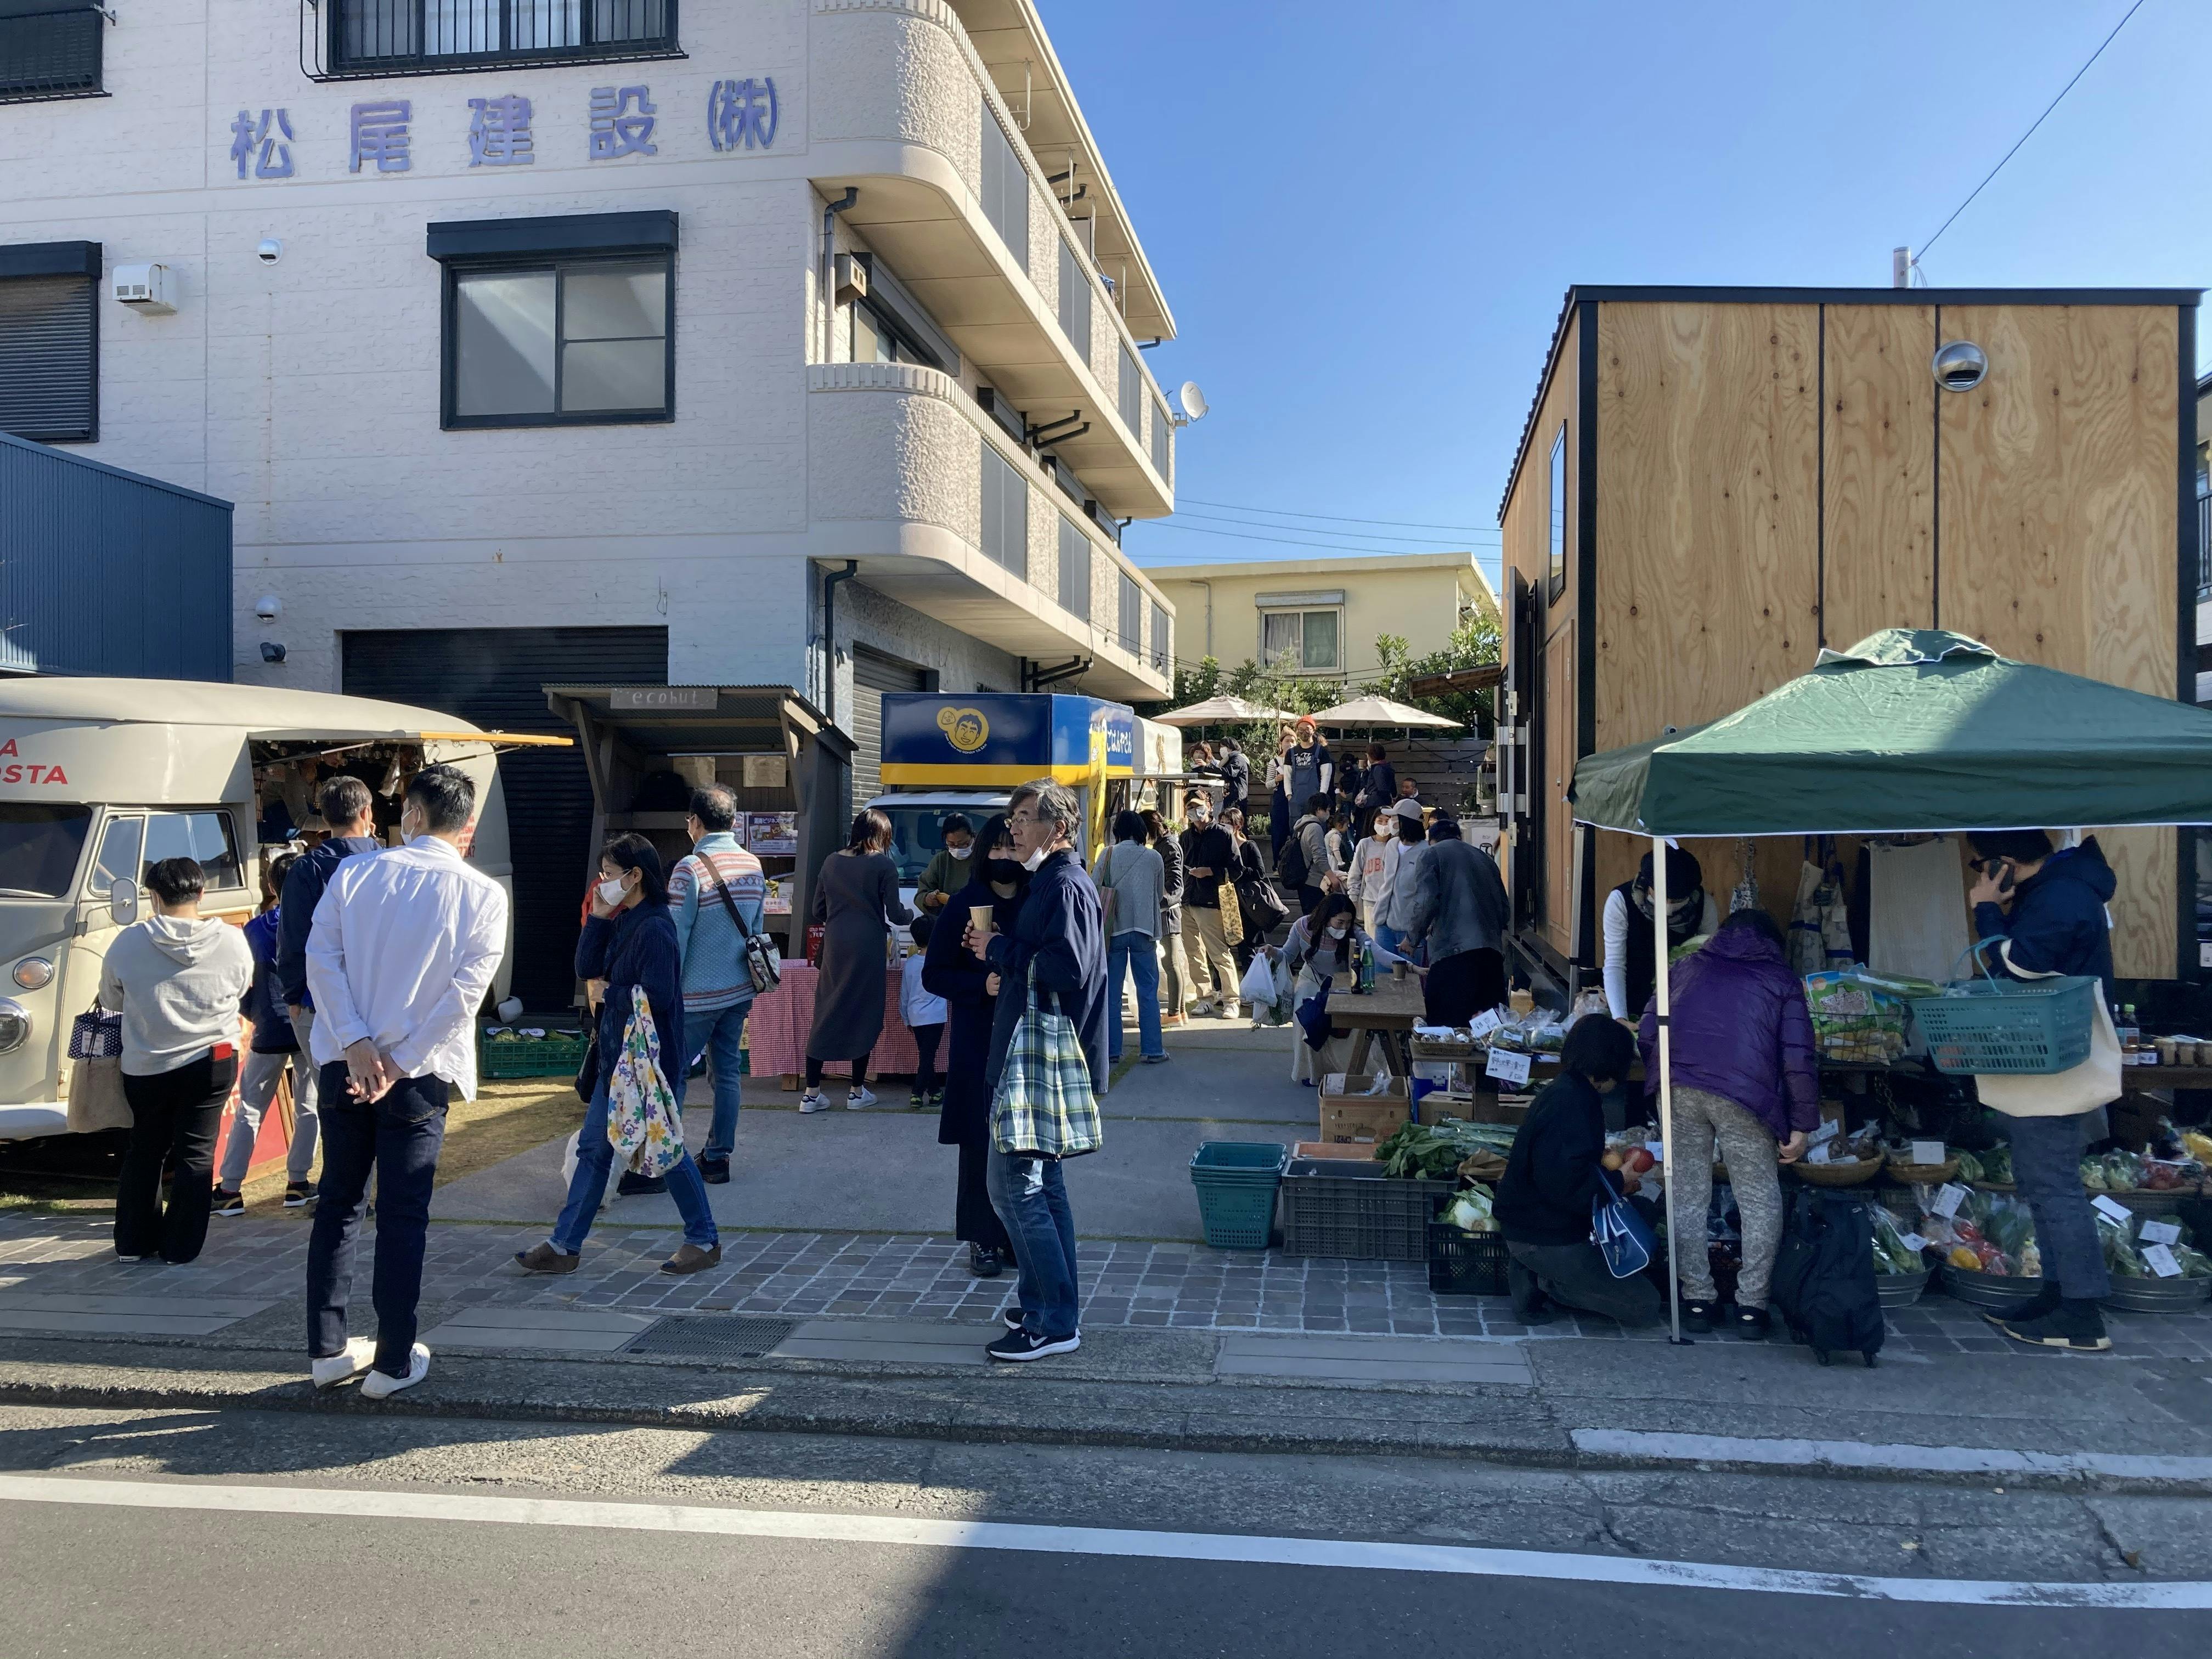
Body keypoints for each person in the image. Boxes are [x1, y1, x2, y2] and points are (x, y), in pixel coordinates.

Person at [304, 764, 507, 1400]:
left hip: (346, 1061)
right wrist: (399, 1059)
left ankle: (327, 1350)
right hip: (416, 1075)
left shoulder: (354, 874)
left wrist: (357, 1042)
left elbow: (320, 959)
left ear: (413, 815)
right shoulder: (483, 893)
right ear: (465, 824)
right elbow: (466, 995)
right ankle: (393, 1360)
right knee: (402, 1213)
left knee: (338, 1202)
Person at [520, 834, 723, 1280]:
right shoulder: (624, 918)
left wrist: (609, 994)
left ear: (635, 876)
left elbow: (660, 995)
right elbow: (585, 968)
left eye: (609, 874)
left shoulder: (656, 927)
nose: (602, 882)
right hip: (619, 1061)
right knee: (595, 1149)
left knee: (665, 1151)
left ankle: (704, 1238)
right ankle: (564, 1245)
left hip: (649, 1064)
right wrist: (596, 918)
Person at [967, 778, 1108, 1361]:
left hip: (1037, 1059)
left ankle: (1052, 1319)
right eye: (1013, 819)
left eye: (1025, 818)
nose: (1015, 829)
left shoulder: (1064, 883)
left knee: (1014, 1189)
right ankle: (1049, 1305)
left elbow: (1066, 968)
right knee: (1041, 1188)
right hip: (1032, 1052)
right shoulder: (1052, 880)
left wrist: (998, 949)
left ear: (1059, 827)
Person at [1966, 830, 2119, 1352]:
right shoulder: (2058, 889)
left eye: (1981, 866)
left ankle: (2081, 1313)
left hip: (2058, 1059)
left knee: (2054, 1185)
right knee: (2041, 1181)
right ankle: (2057, 1294)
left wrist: (1987, 909)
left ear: (2004, 862)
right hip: (2049, 1053)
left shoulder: (2062, 895)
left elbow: (2018, 967)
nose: (1980, 876)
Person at [1637, 908, 1816, 1338]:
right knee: (1757, 1198)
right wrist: (1802, 1124)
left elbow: (1647, 1031)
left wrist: (1661, 1078)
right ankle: (1752, 1307)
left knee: (1686, 1194)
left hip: (1678, 1089)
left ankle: (1697, 1301)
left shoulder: (1684, 968)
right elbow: (1798, 1058)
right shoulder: (1782, 980)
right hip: (1746, 1096)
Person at [103, 856, 255, 1265]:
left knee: (145, 1149)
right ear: (202, 893)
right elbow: (242, 987)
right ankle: (181, 1248)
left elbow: (112, 999)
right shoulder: (232, 940)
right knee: (196, 1152)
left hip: (146, 1061)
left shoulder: (128, 942)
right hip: (212, 1058)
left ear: (153, 896)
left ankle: (133, 1243)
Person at [1496, 1016, 1661, 1328]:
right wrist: (1619, 1179)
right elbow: (1564, 1185)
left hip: (1543, 1220)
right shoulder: (1572, 1104)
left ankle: (1549, 1270)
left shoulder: (1567, 1090)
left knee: (1644, 1212)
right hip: (1542, 1233)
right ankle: (1545, 1281)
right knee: (1645, 1306)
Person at [922, 813, 1023, 1277]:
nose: (1004, 857)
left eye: (1011, 848)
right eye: (996, 849)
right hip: (978, 1040)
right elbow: (934, 974)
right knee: (980, 1142)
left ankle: (1018, 1235)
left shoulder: (1038, 899)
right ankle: (983, 1237)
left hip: (1027, 1037)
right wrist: (979, 987)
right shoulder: (965, 903)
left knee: (1025, 1143)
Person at [664, 784, 766, 1186]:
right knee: (727, 1074)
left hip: (694, 995)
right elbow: (756, 930)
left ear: (694, 822)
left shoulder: (689, 868)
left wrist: (665, 989)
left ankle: (665, 1158)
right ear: (734, 821)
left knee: (672, 1075)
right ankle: (718, 1157)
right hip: (739, 989)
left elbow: (676, 935)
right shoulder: (753, 865)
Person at [213, 850, 321, 1215]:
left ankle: (230, 1188)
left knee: (251, 1108)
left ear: (272, 887)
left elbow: (242, 984)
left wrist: (254, 1012)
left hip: (270, 1026)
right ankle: (298, 1183)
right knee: (309, 1105)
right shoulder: (317, 923)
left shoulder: (254, 929)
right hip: (309, 1022)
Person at [804, 809, 913, 1112]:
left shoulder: (831, 861)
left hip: (835, 943)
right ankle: (856, 1091)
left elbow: (817, 909)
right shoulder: (883, 864)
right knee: (864, 1012)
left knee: (826, 1009)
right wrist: (914, 916)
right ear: (883, 835)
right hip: (868, 945)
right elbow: (896, 913)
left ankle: (811, 1093)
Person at [276, 775, 382, 1086]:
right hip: (385, 1001)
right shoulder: (391, 863)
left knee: (335, 1096)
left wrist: (293, 997)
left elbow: (292, 941)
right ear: (366, 812)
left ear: (324, 817)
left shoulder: (306, 869)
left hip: (322, 1005)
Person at [1401, 817, 1512, 1025]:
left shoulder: (1431, 854)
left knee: (1447, 1029)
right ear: (1459, 837)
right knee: (1489, 1030)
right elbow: (1505, 911)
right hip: (1491, 957)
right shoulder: (1485, 858)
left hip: (1452, 956)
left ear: (1432, 840)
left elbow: (1425, 902)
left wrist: (1412, 938)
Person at [1279, 890, 1391, 1084]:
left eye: (1348, 922)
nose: (1344, 927)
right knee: (1304, 1018)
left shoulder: (1355, 933)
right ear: (1326, 917)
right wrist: (1272, 953)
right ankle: (1311, 1074)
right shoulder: (1302, 926)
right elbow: (1287, 956)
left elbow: (1377, 952)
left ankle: (1351, 1070)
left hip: (1341, 983)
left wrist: (1409, 966)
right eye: (1340, 922)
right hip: (1311, 978)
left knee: (1346, 1025)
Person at [1602, 846, 1718, 1020]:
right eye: (1663, 896)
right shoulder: (1621, 901)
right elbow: (1615, 964)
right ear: (1649, 885)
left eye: (1678, 899)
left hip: (1682, 1001)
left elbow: (1710, 961)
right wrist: (1620, 1018)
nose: (1669, 904)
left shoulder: (1704, 904)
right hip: (1632, 996)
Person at [1094, 809, 1169, 1066]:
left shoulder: (1107, 854)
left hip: (1114, 930)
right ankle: (1153, 1049)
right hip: (1144, 930)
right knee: (1147, 991)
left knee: (1112, 994)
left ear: (1117, 832)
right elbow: (1159, 894)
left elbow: (1094, 888)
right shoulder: (1154, 857)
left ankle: (1112, 1050)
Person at [1180, 793, 1241, 1019]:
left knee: (1219, 952)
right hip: (1187, 900)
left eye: (1198, 806)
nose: (1194, 812)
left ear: (1209, 806)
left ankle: (1231, 1000)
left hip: (1211, 900)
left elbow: (1237, 869)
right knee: (1193, 954)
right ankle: (1204, 998)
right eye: (1190, 808)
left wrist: (1210, 872)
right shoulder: (1185, 836)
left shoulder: (1223, 834)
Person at [1142, 806, 1191, 1026]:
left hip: (1167, 912)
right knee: (1173, 963)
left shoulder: (1168, 846)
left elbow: (1175, 885)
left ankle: (1174, 1013)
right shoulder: (1164, 844)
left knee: (1171, 963)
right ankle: (1180, 1012)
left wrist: (1158, 903)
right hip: (1167, 910)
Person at [902, 915, 948, 1107]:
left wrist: (906, 1018)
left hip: (916, 1016)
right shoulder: (941, 962)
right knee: (927, 1057)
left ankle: (935, 1092)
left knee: (926, 1055)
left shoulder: (910, 963)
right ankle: (917, 1093)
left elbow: (905, 994)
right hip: (936, 1017)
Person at [1279, 791, 1333, 917]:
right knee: (1316, 920)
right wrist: (1333, 877)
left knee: (1309, 919)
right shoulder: (1315, 828)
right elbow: (1319, 857)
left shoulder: (1302, 826)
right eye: (1327, 810)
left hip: (1304, 880)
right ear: (1319, 810)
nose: (1328, 814)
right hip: (1314, 881)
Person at [914, 814, 975, 915]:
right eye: (951, 844)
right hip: (947, 918)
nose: (957, 849)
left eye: (963, 844)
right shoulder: (941, 860)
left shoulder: (983, 858)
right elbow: (922, 893)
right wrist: (928, 899)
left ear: (973, 837)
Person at [1350, 808, 1396, 938]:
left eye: (1387, 821)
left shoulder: (1397, 845)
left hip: (1393, 903)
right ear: (1373, 822)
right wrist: (1353, 898)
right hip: (1371, 901)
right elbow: (1355, 874)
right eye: (1380, 821)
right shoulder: (1365, 844)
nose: (1384, 825)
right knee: (1373, 940)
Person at [1283, 716, 1334, 811]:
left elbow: (1326, 776)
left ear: (1313, 730)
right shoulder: (1291, 753)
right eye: (1301, 729)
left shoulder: (1322, 751)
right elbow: (1287, 777)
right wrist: (1289, 796)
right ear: (1297, 731)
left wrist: (1322, 796)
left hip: (1316, 803)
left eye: (1307, 729)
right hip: (1296, 802)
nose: (1304, 732)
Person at [1266, 727, 1296, 866]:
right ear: (1281, 743)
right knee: (1279, 832)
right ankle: (1277, 864)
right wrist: (1277, 779)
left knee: (1295, 830)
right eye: (1287, 741)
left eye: (1293, 741)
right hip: (1280, 800)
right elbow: (1268, 785)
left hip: (1295, 798)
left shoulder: (1299, 760)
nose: (1290, 744)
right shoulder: (1275, 762)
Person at [1354, 742, 1397, 819]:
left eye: (1368, 754)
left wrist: (1370, 797)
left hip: (1376, 804)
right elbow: (1393, 786)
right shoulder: (1387, 767)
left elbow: (1382, 788)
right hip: (1385, 802)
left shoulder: (1378, 768)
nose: (1367, 756)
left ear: (1372, 755)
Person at [1217, 738, 1250, 819]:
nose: (1220, 750)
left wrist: (1210, 769)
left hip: (1236, 799)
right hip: (1231, 797)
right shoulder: (1229, 760)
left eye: (1222, 747)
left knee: (1235, 821)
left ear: (1230, 747)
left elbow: (1229, 772)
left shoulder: (1238, 759)